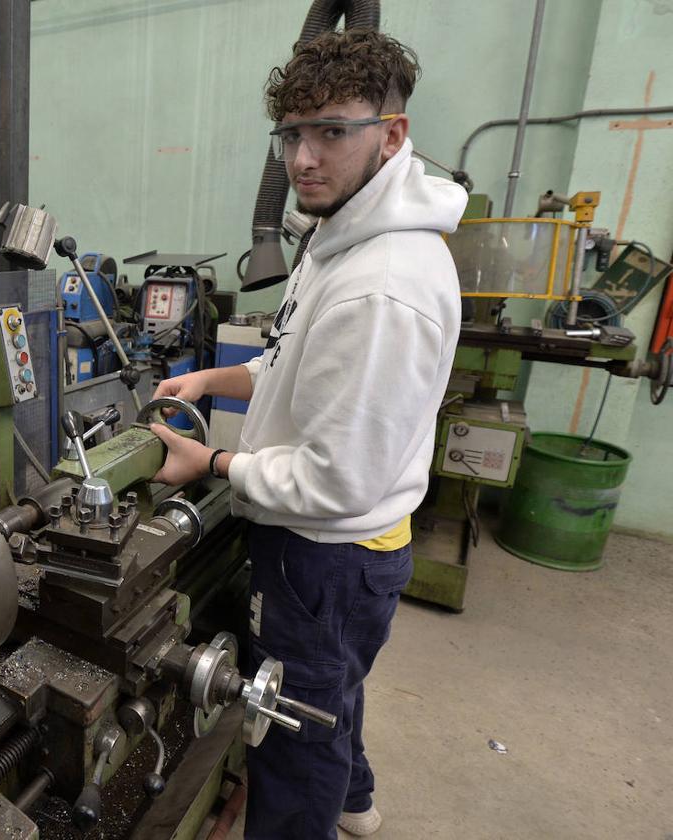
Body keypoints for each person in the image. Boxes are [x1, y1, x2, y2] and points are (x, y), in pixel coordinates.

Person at [149, 29, 467, 839]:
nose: (304, 157)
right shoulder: (337, 235)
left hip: (327, 555)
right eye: (292, 134)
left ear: (391, 134)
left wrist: (213, 460)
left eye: (332, 130)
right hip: (335, 549)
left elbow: (337, 481)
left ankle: (318, 814)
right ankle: (357, 804)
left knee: (293, 726)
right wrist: (212, 381)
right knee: (336, 692)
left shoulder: (383, 287)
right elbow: (297, 364)